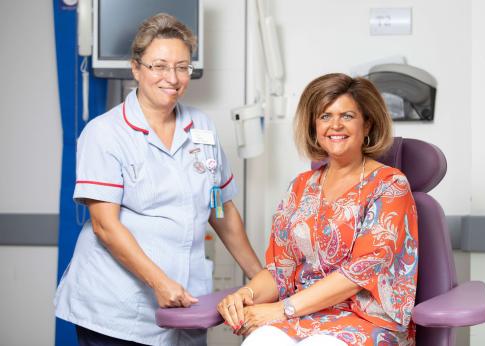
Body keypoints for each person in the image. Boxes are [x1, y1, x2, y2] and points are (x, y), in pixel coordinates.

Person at [54, 13, 262, 346]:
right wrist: (158, 282)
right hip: (117, 310)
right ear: (136, 68)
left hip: (187, 303)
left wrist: (261, 277)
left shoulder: (202, 127)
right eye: (159, 66)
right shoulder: (106, 133)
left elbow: (220, 209)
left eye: (183, 67)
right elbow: (105, 226)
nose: (173, 77)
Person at [218, 73, 419, 345]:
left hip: (365, 319)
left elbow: (358, 274)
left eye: (347, 116)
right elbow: (281, 268)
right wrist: (246, 295)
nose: (335, 125)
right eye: (325, 116)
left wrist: (281, 309)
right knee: (259, 340)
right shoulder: (300, 187)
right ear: (314, 126)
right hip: (305, 314)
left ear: (367, 124)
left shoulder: (390, 185)